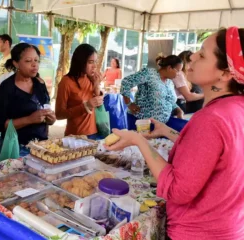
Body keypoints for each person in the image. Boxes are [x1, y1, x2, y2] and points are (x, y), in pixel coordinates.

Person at [105, 27, 244, 239]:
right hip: (227, 226)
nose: (193, 57)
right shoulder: (236, 108)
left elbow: (177, 189)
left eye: (203, 54)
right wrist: (167, 131)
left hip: (197, 232)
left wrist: (138, 141)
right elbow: (208, 156)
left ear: (225, 73)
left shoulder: (212, 119)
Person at [0, 43, 55, 156]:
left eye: (36, 60)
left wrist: (51, 118)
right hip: (16, 149)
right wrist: (29, 119)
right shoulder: (6, 88)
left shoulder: (40, 83)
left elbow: (47, 111)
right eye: (28, 61)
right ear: (16, 63)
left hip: (41, 147)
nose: (34, 65)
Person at [121, 55, 184, 130]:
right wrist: (129, 104)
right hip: (142, 123)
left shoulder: (170, 83)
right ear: (169, 68)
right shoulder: (149, 74)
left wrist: (178, 109)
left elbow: (169, 101)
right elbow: (126, 82)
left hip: (160, 125)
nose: (179, 74)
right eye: (178, 70)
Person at [55, 44, 103, 139]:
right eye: (90, 62)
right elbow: (59, 114)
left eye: (95, 62)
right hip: (75, 136)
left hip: (93, 132)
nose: (94, 66)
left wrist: (96, 85)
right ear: (81, 62)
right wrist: (85, 106)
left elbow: (99, 107)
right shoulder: (66, 82)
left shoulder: (90, 78)